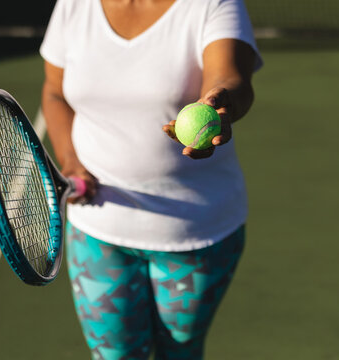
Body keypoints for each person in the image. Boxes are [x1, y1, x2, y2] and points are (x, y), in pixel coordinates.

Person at [40, 0, 262, 358]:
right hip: (98, 232)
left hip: (195, 234)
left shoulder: (212, 4)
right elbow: (54, 89)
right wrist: (69, 159)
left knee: (180, 353)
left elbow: (231, 78)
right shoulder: (75, 4)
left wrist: (222, 104)